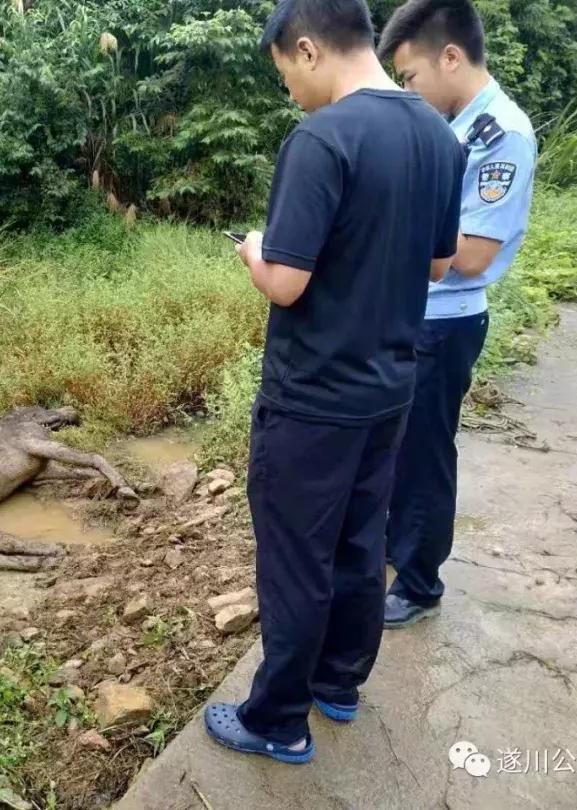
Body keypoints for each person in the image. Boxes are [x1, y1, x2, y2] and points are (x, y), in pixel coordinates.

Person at [203, 0, 466, 764]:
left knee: (294, 558)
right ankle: (338, 685)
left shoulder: (321, 139)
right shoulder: (435, 136)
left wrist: (254, 249)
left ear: (309, 49)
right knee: (358, 544)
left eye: (286, 72)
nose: (290, 91)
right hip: (390, 386)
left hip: (313, 397)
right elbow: (439, 264)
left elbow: (285, 283)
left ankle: (276, 719)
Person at [378, 0, 537, 628]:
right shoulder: (454, 125)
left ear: (450, 57)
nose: (408, 91)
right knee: (399, 444)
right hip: (417, 312)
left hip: (446, 321)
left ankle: (419, 583)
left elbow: (470, 255)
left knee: (425, 452)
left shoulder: (502, 135)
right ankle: (399, 550)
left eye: (411, 77)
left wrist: (377, 243)